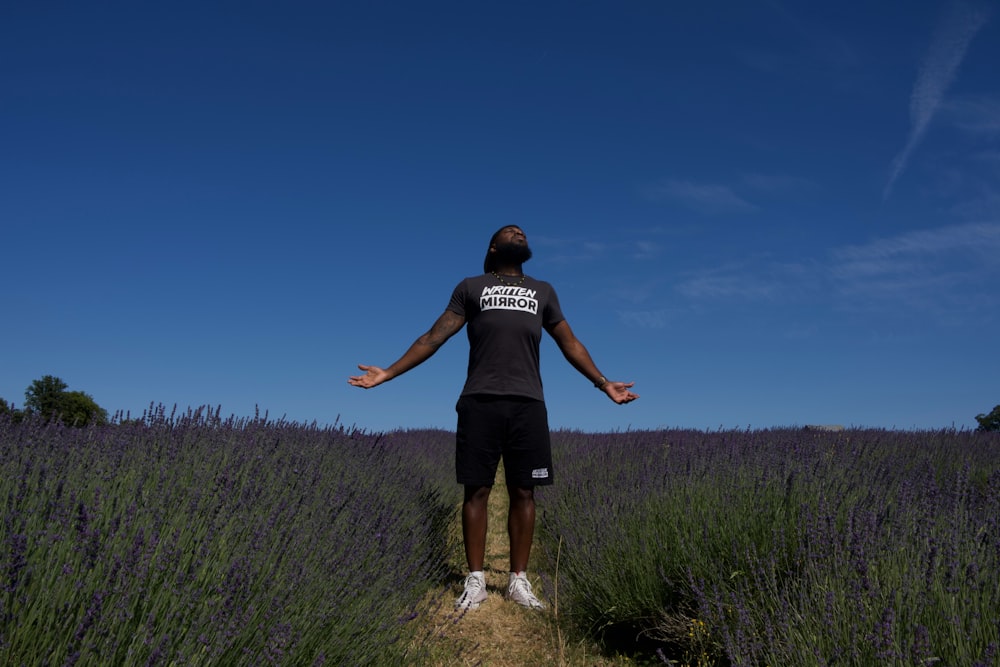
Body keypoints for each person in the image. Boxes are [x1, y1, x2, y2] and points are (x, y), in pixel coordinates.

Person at [348, 225, 638, 611]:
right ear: (494, 247)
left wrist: (603, 383)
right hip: (479, 401)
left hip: (528, 403)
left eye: (522, 231)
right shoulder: (472, 287)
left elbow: (570, 343)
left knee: (524, 491)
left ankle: (518, 580)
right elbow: (433, 337)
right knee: (477, 489)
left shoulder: (543, 291)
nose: (519, 232)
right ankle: (476, 580)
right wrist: (388, 372)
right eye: (510, 231)